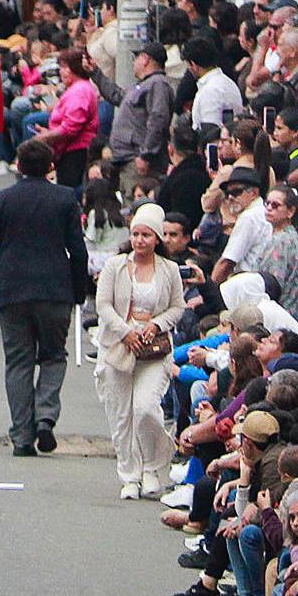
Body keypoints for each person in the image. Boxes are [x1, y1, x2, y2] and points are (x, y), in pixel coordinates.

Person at [0, 139, 88, 456]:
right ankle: (45, 416)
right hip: (55, 291)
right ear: (51, 167)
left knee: (18, 361)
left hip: (12, 291)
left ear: (19, 166)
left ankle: (21, 436)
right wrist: (78, 292)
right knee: (54, 356)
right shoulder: (65, 199)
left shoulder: (1, 201)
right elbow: (77, 252)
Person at [93, 203, 183, 499]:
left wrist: (155, 326)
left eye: (146, 235)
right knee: (121, 415)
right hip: (119, 346)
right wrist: (125, 331)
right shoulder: (115, 266)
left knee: (145, 409)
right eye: (135, 234)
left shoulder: (169, 269)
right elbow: (103, 305)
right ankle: (129, 475)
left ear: (157, 238)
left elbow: (176, 307)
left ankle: (153, 466)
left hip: (154, 349)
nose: (140, 240)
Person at [108, 43, 175, 195]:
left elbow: (158, 119)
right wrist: (95, 73)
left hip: (139, 160)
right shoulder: (142, 85)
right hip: (128, 159)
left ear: (145, 59)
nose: (133, 62)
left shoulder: (158, 83)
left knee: (139, 204)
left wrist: (146, 154)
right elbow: (116, 95)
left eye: (136, 58)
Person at [30, 47, 99, 188]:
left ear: (75, 68)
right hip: (68, 150)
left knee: (69, 191)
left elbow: (71, 127)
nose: (61, 71)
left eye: (64, 67)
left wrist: (46, 137)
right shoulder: (76, 89)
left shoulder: (79, 91)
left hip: (76, 152)